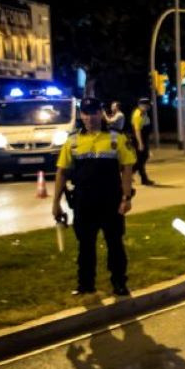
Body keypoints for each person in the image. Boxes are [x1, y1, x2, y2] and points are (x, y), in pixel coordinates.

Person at [52, 97, 135, 298]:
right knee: (85, 245)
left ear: (102, 113)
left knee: (115, 243)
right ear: (81, 115)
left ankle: (119, 284)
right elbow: (62, 172)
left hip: (111, 200)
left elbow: (127, 169)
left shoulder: (117, 138)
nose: (90, 117)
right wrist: (56, 203)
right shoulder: (72, 141)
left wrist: (126, 197)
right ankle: (85, 285)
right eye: (86, 113)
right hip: (83, 201)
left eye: (94, 112)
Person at [130, 97, 156, 185]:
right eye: (148, 105)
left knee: (142, 159)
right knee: (141, 159)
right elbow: (137, 131)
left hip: (144, 139)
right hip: (139, 139)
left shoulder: (144, 113)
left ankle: (142, 178)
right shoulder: (138, 115)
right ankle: (132, 174)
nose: (149, 107)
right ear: (142, 105)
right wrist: (140, 143)